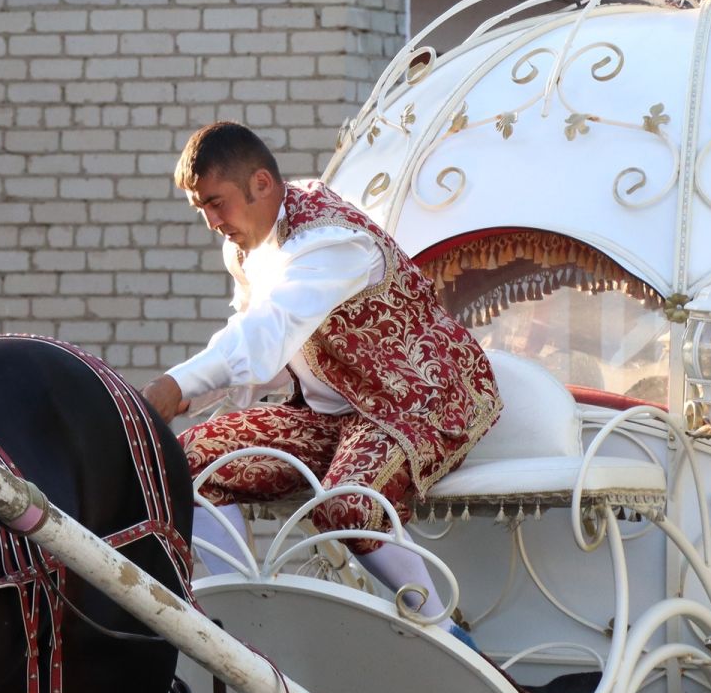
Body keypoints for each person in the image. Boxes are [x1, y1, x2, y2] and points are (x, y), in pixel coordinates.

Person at [141, 122, 502, 630]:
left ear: (262, 184)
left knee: (349, 507)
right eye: (201, 208)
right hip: (331, 416)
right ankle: (243, 627)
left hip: (417, 400)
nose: (212, 221)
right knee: (183, 466)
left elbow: (265, 335)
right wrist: (181, 401)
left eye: (217, 203)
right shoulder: (246, 244)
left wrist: (176, 387)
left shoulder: (330, 239)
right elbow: (258, 350)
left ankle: (446, 635)